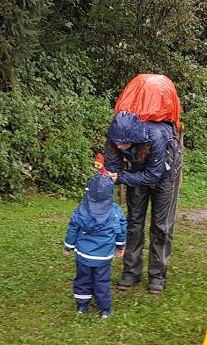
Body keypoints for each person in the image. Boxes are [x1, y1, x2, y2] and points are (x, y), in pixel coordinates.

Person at [104, 111, 182, 294]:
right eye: (117, 142)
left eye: (124, 142)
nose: (119, 146)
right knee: (134, 222)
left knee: (161, 226)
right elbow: (114, 167)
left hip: (165, 175)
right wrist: (114, 175)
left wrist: (121, 177)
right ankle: (131, 272)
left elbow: (153, 175)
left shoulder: (156, 137)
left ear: (135, 137)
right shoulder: (113, 140)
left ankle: (157, 276)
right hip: (137, 171)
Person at [63, 173, 127, 318]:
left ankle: (82, 306)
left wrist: (68, 246)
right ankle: (105, 309)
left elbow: (73, 229)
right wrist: (120, 246)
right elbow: (121, 230)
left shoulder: (80, 210)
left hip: (83, 255)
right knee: (102, 281)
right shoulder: (115, 211)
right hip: (103, 256)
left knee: (82, 279)